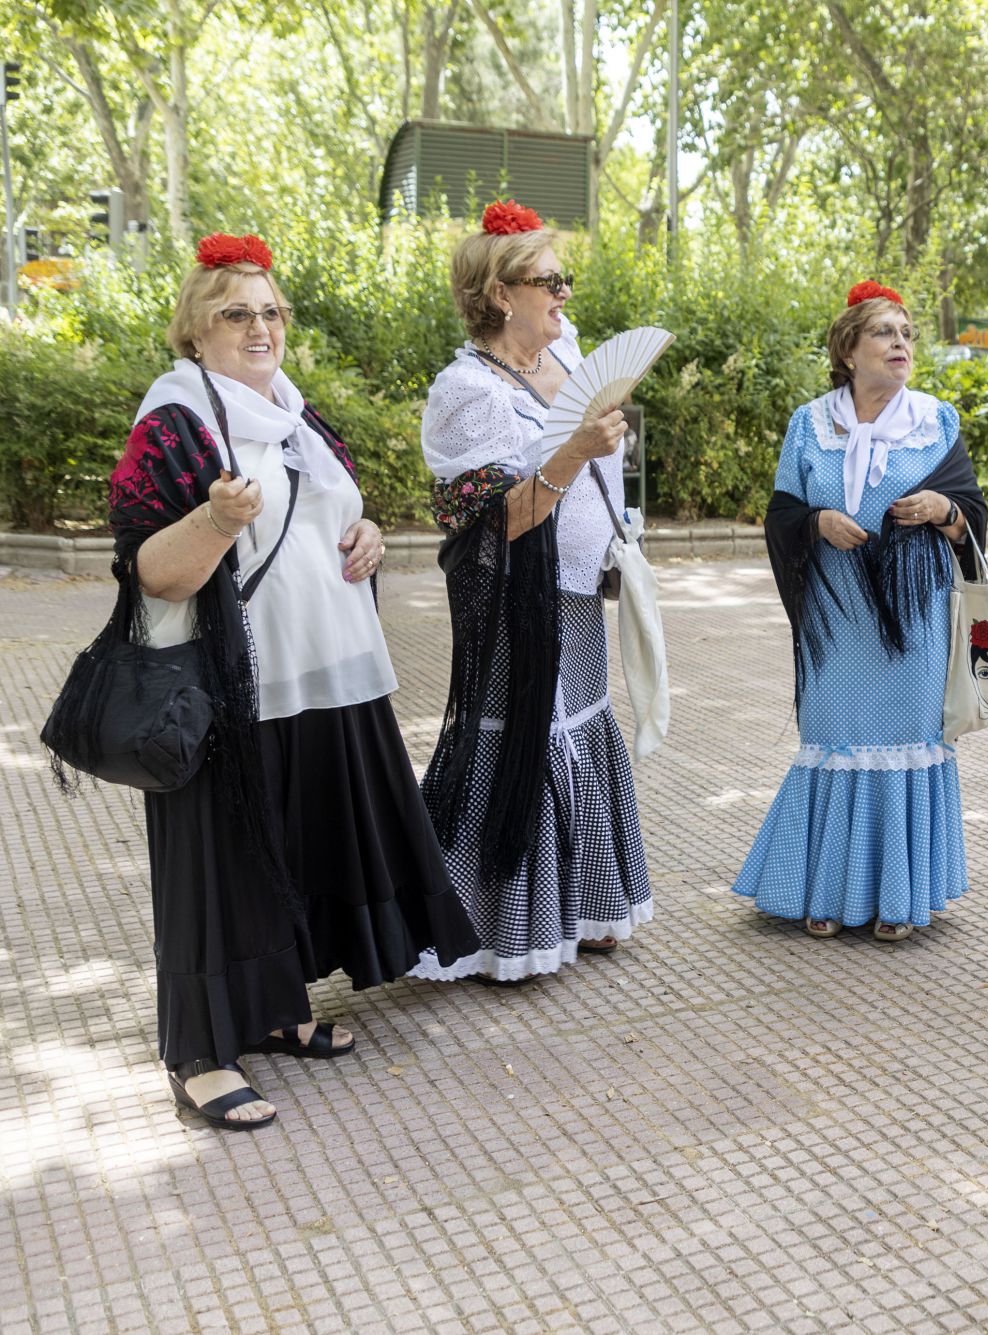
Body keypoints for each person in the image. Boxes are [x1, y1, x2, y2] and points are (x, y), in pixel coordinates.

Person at [71, 232, 477, 1129]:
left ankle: (277, 1008)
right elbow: (147, 572)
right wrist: (215, 521)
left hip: (321, 673)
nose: (261, 328)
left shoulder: (293, 413)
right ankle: (199, 1052)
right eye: (236, 314)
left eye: (271, 312)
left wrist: (366, 535)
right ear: (195, 328)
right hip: (225, 686)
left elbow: (334, 516)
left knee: (291, 845)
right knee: (214, 866)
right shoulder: (174, 422)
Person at [413, 200, 652, 984]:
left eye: (563, 277)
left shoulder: (566, 353)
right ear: (500, 293)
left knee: (578, 724)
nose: (564, 293)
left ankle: (577, 908)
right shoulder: (468, 392)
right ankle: (491, 926)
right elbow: (499, 523)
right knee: (519, 737)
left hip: (577, 590)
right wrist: (577, 449)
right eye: (549, 280)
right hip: (516, 602)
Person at [735, 280, 988, 940]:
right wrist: (817, 521)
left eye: (906, 333)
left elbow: (971, 511)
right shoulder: (809, 423)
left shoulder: (936, 420)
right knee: (833, 737)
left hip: (913, 620)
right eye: (884, 332)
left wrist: (943, 510)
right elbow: (781, 514)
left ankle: (896, 900)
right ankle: (826, 890)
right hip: (836, 615)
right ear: (848, 351)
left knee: (908, 741)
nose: (901, 343)